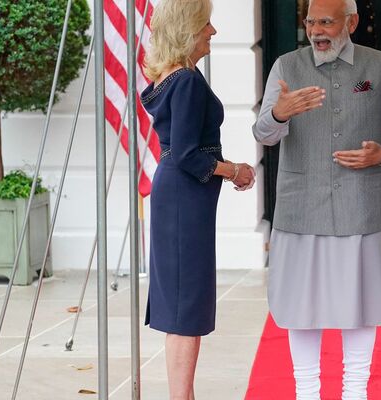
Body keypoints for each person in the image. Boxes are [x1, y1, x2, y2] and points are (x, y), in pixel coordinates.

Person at [252, 0, 381, 398]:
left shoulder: (380, 65)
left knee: (361, 304)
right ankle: (306, 392)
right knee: (300, 308)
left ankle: (355, 392)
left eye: (326, 21)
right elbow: (262, 134)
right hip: (300, 209)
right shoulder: (286, 67)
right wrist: (278, 114)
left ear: (352, 22)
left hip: (362, 209)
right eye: (310, 21)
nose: (316, 30)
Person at [141, 0, 255, 399]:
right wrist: (234, 169)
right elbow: (189, 154)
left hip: (180, 196)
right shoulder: (186, 80)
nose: (213, 32)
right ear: (187, 30)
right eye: (206, 24)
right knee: (185, 307)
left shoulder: (171, 76)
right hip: (183, 198)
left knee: (182, 303)